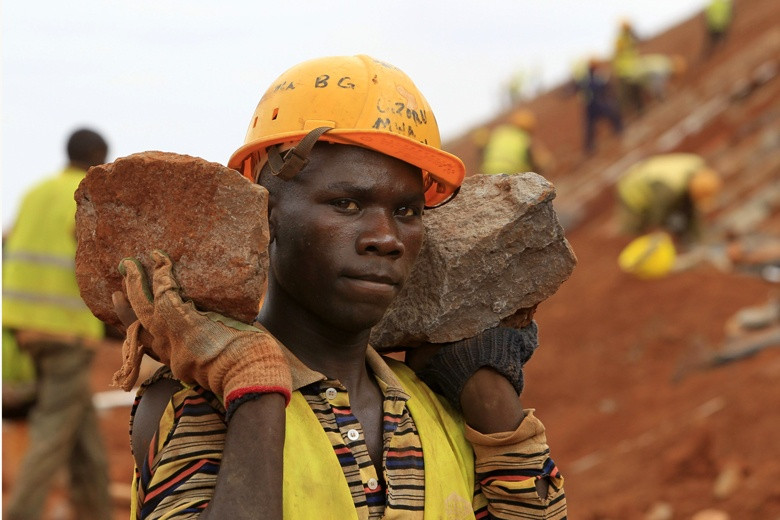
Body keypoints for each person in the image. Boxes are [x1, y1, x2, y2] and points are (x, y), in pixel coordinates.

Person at [114, 55, 567, 519]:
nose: (386, 238)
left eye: (407, 212)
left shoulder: (436, 408)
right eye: (347, 203)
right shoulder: (198, 405)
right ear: (264, 216)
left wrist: (481, 385)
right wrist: (253, 382)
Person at [2, 128, 112, 520]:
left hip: (22, 328)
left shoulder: (34, 193)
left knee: (86, 444)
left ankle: (96, 512)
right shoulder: (82, 197)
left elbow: (9, 245)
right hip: (66, 332)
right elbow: (94, 260)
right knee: (50, 437)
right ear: (98, 157)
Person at [616, 153, 723, 245]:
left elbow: (692, 212)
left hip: (657, 183)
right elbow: (656, 220)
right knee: (631, 234)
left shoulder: (698, 167)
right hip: (632, 188)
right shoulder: (668, 191)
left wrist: (700, 241)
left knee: (685, 212)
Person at [574, 57, 624, 154]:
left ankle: (618, 130)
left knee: (592, 126)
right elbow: (603, 87)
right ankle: (590, 147)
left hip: (592, 105)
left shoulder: (590, 77)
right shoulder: (592, 78)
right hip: (594, 104)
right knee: (592, 126)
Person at [480, 109, 552, 175]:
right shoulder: (524, 138)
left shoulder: (499, 131)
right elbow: (542, 162)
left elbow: (483, 148)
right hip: (511, 172)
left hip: (488, 171)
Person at [612, 19, 644, 117]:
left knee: (636, 89)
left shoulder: (629, 38)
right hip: (625, 70)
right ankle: (623, 114)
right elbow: (618, 55)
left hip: (633, 68)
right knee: (626, 93)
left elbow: (640, 40)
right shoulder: (620, 40)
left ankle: (640, 109)